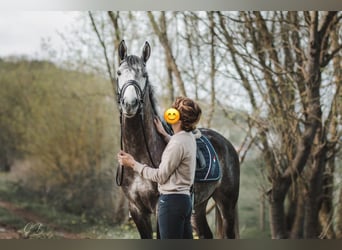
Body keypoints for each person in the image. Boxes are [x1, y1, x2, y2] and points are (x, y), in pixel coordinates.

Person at [117, 96, 202, 239]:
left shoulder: (177, 143)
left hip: (171, 203)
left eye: (174, 110)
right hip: (184, 202)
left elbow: (160, 176)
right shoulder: (188, 138)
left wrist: (132, 163)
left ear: (177, 117)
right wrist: (164, 134)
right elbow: (179, 148)